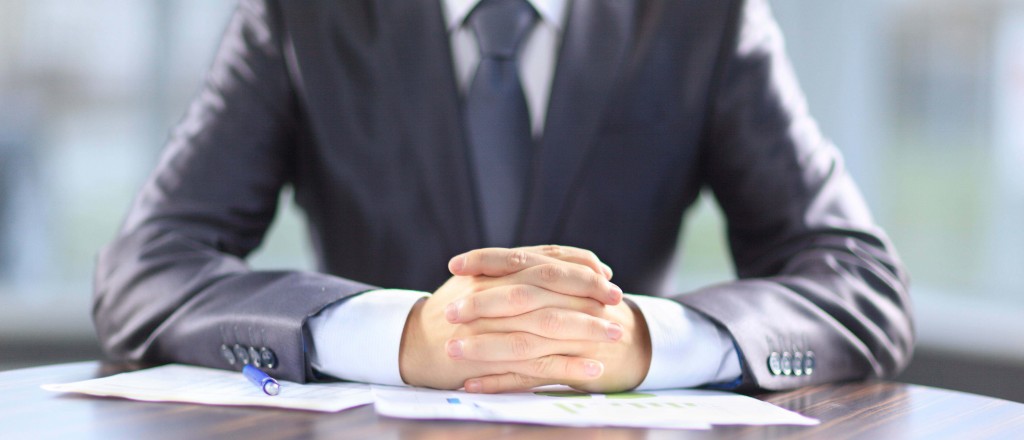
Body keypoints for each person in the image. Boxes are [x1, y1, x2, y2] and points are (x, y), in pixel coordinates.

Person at [93, 0, 913, 394]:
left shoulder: (703, 17)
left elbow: (860, 281)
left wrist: (637, 343)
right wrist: (395, 334)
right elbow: (146, 271)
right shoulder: (300, 14)